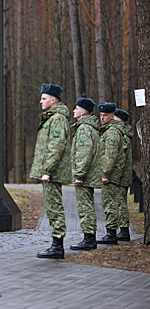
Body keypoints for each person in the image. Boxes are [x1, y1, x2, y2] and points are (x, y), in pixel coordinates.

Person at [30, 83, 71, 259]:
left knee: (54, 207)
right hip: (49, 172)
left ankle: (58, 246)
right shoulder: (52, 118)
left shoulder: (57, 119)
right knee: (52, 206)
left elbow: (56, 146)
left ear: (53, 100)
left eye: (44, 98)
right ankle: (56, 244)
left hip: (52, 173)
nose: (40, 101)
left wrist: (47, 170)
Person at [69, 98, 101, 251]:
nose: (73, 111)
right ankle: (89, 237)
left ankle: (89, 239)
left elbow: (84, 153)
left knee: (85, 207)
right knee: (87, 206)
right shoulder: (90, 127)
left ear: (82, 112)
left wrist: (79, 174)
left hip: (85, 176)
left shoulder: (84, 129)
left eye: (76, 108)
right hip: (89, 174)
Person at [97, 102, 126, 245]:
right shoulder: (108, 130)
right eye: (101, 115)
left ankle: (111, 233)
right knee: (109, 202)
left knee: (110, 203)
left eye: (105, 115)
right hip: (111, 173)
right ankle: (111, 232)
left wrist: (105, 173)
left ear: (112, 116)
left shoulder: (112, 132)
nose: (102, 118)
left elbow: (110, 155)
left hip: (111, 174)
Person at [113, 108, 133, 242]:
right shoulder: (124, 133)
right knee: (120, 201)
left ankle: (124, 230)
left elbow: (121, 157)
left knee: (121, 202)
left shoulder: (122, 134)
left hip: (121, 175)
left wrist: (116, 174)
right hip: (123, 174)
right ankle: (123, 229)